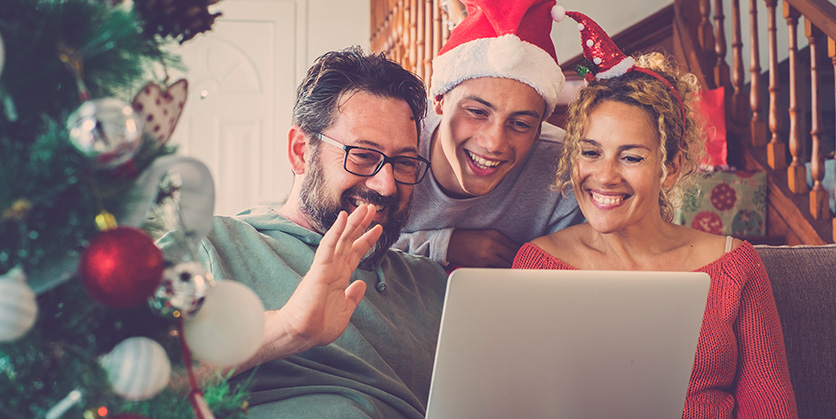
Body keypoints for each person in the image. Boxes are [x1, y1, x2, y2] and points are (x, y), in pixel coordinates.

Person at [513, 11, 797, 418]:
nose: (605, 176)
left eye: (630, 157)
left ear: (673, 168)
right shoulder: (537, 266)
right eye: (590, 152)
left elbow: (771, 408)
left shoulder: (735, 265)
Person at [182, 47, 448, 418]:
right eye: (363, 155)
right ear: (300, 152)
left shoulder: (434, 286)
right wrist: (286, 330)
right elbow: (112, 381)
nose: (386, 185)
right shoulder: (214, 246)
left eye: (403, 162)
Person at [393, 0, 584, 269]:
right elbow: (330, 239)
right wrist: (443, 245)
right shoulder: (393, 146)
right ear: (439, 101)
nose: (494, 143)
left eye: (520, 124)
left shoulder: (565, 169)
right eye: (477, 112)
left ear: (539, 127)